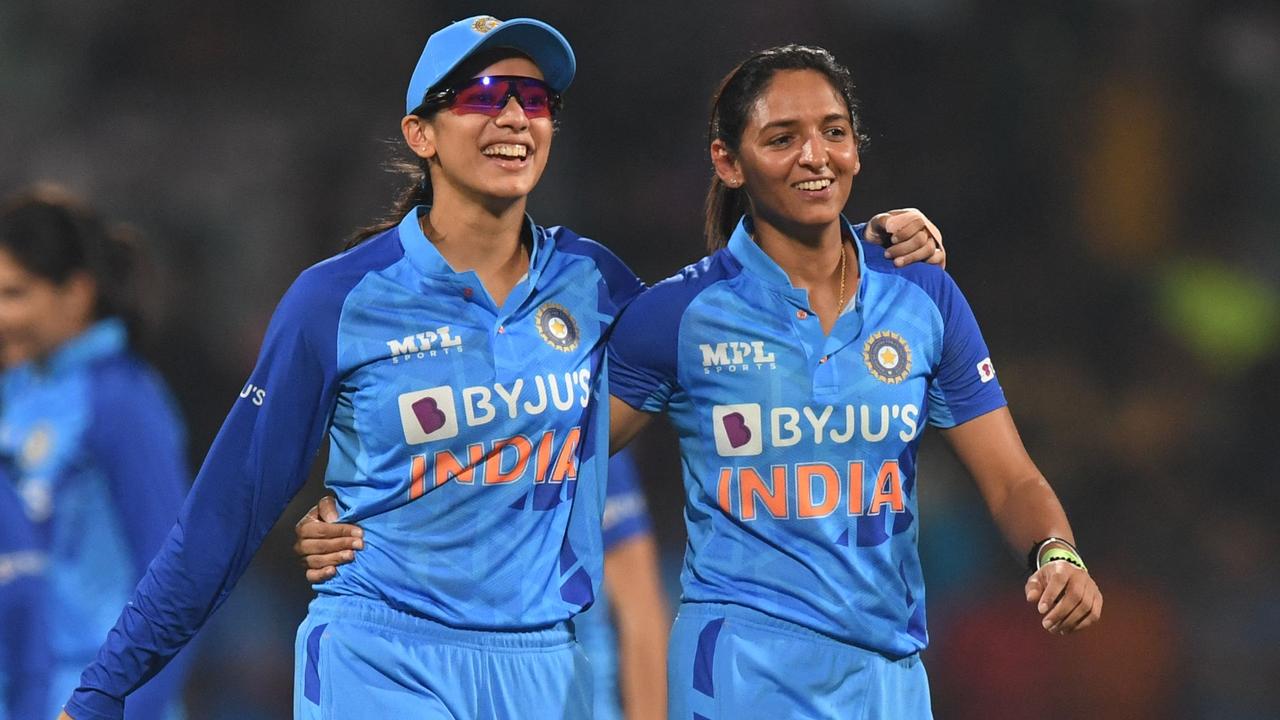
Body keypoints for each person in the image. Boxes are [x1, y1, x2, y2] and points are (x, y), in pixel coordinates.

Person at [61, 16, 946, 720]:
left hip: (546, 668)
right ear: (422, 133)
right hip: (383, 653)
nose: (515, 115)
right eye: (482, 94)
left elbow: (747, 331)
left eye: (534, 97)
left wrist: (860, 258)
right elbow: (222, 514)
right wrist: (106, 690)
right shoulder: (338, 301)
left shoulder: (595, 285)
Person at [0, 186, 193, 720]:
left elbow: (175, 576)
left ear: (76, 294)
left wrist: (131, 707)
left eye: (15, 294)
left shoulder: (121, 400)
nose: (1, 316)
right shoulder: (19, 392)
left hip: (90, 698)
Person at [297, 447, 672, 720]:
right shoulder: (402, 433)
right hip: (414, 682)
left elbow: (641, 611)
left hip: (556, 698)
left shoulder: (566, 427)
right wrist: (332, 526)